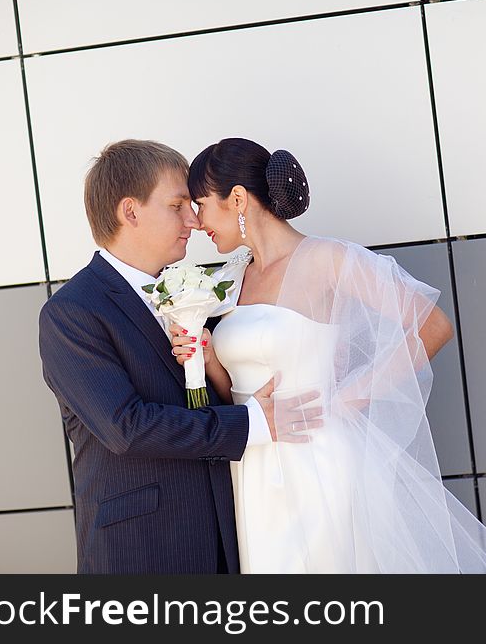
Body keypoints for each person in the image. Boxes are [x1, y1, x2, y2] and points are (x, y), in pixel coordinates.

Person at [170, 137, 486, 572]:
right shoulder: (232, 277)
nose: (197, 222)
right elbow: (234, 390)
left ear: (237, 199)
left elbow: (433, 326)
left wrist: (347, 398)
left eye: (200, 204)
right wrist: (205, 357)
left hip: (317, 459)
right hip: (251, 465)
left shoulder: (327, 259)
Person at [38, 139, 321, 573]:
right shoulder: (73, 312)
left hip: (231, 536)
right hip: (144, 549)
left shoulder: (195, 292)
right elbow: (126, 428)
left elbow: (211, 399)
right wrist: (254, 422)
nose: (194, 219)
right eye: (177, 205)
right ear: (130, 212)